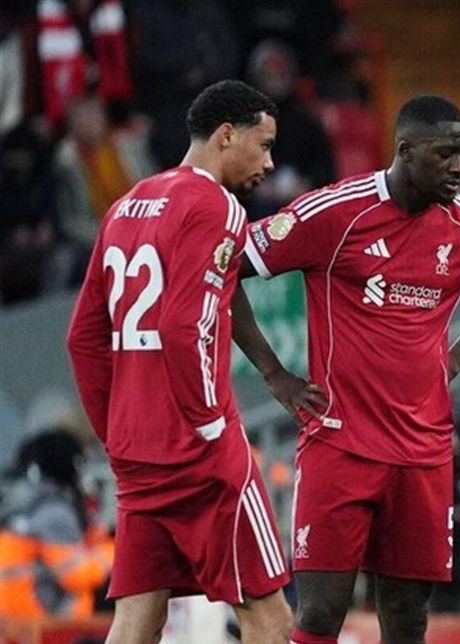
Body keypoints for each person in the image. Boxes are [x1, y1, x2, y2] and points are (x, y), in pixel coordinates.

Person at [233, 95, 460, 644]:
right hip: (340, 444)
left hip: (424, 451)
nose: (459, 167)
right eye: (445, 154)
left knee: (408, 617)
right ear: (405, 150)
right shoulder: (335, 213)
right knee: (321, 613)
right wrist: (275, 373)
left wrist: (455, 357)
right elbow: (226, 268)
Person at [65, 80, 291, 642]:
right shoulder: (217, 207)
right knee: (269, 615)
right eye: (263, 145)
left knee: (136, 619)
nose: (269, 162)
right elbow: (182, 326)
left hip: (137, 455)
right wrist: (209, 424)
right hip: (199, 453)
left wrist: (115, 433)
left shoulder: (125, 206)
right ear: (226, 135)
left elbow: (83, 338)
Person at [0, 430, 114, 620]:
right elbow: (77, 575)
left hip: (10, 618)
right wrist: (117, 551)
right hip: (38, 619)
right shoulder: (53, 512)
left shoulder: (21, 504)